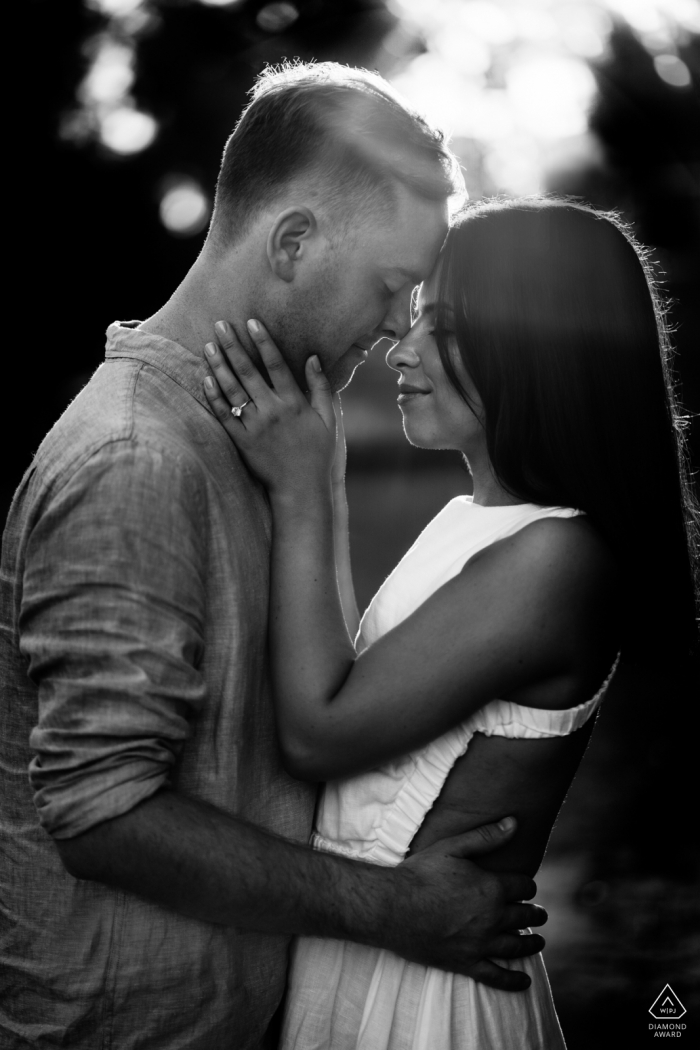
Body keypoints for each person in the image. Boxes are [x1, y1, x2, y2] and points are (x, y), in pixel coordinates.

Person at [0, 65, 548, 1050]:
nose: (395, 329)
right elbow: (103, 813)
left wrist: (313, 491)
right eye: (390, 287)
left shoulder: (259, 428)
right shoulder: (137, 458)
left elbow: (309, 709)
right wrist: (396, 909)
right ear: (293, 241)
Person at [202, 196, 699, 1049]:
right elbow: (358, 679)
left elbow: (322, 732)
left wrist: (303, 489)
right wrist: (316, 481)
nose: (405, 348)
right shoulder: (473, 518)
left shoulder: (557, 560)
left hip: (423, 994)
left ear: (542, 345)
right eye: (418, 321)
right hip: (371, 944)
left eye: (449, 328)